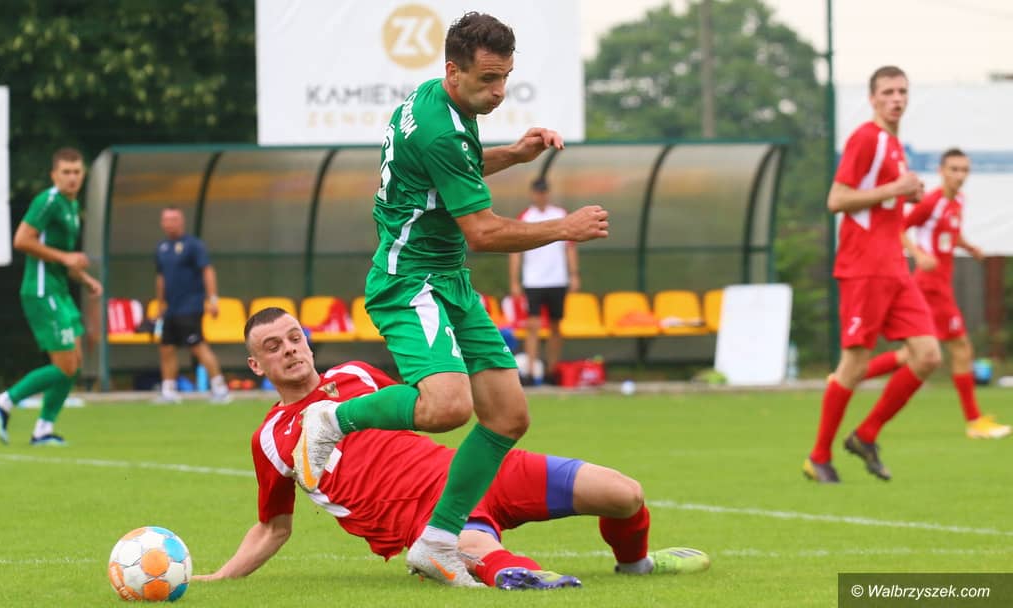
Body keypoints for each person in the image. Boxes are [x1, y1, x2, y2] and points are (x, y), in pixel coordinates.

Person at [294, 12, 609, 586]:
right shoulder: (442, 128)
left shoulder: (435, 101)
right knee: (446, 406)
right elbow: (483, 232)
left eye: (506, 76)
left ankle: (438, 541)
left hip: (449, 280)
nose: (500, 91)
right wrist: (564, 228)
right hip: (409, 278)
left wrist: (512, 154)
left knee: (508, 417)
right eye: (489, 79)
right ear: (453, 70)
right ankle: (333, 417)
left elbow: (454, 168)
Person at [193, 308, 709, 588]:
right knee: (494, 560)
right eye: (273, 347)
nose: (289, 350)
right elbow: (273, 527)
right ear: (256, 366)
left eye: (294, 337)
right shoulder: (270, 438)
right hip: (426, 519)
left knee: (624, 494)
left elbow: (427, 405)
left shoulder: (355, 375)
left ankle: (636, 567)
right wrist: (219, 578)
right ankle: (506, 572)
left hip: (473, 471)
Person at [803, 66, 942, 484]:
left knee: (928, 355)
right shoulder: (866, 137)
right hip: (863, 268)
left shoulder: (894, 145)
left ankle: (866, 435)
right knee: (855, 363)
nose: (896, 98)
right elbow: (837, 199)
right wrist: (894, 190)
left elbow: (881, 205)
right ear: (872, 98)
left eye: (902, 91)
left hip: (894, 269)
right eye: (888, 92)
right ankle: (818, 456)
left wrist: (906, 196)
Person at [860, 149, 1010, 439]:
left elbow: (951, 234)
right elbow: (899, 228)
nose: (959, 175)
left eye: (964, 170)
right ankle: (974, 421)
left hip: (939, 286)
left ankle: (846, 377)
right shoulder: (932, 201)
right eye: (954, 169)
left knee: (912, 353)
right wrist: (918, 254)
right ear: (941, 171)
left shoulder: (958, 202)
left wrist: (969, 247)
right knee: (961, 348)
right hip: (930, 287)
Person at [0, 147, 102, 446]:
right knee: (65, 365)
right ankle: (3, 401)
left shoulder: (72, 206)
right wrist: (66, 258)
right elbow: (22, 240)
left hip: (59, 291)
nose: (72, 177)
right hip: (41, 290)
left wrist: (85, 279)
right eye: (66, 172)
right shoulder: (47, 201)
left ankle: (43, 430)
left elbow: (62, 259)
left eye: (77, 172)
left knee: (74, 362)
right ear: (54, 175)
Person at [153, 207, 231, 404]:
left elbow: (207, 271)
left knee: (197, 346)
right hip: (170, 308)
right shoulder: (161, 247)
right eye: (166, 219)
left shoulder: (194, 245)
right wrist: (160, 304)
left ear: (181, 221)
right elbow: (161, 278)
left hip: (190, 306)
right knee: (166, 348)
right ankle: (168, 391)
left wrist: (212, 299)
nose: (169, 223)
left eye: (173, 219)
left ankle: (220, 388)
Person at [508, 177, 580, 385]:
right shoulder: (526, 217)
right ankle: (531, 371)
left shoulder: (560, 215)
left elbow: (569, 247)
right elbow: (515, 252)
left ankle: (552, 370)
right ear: (533, 194)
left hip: (557, 279)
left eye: (544, 192)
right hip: (534, 280)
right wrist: (514, 281)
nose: (541, 196)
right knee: (533, 325)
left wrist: (574, 274)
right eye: (538, 192)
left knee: (556, 326)